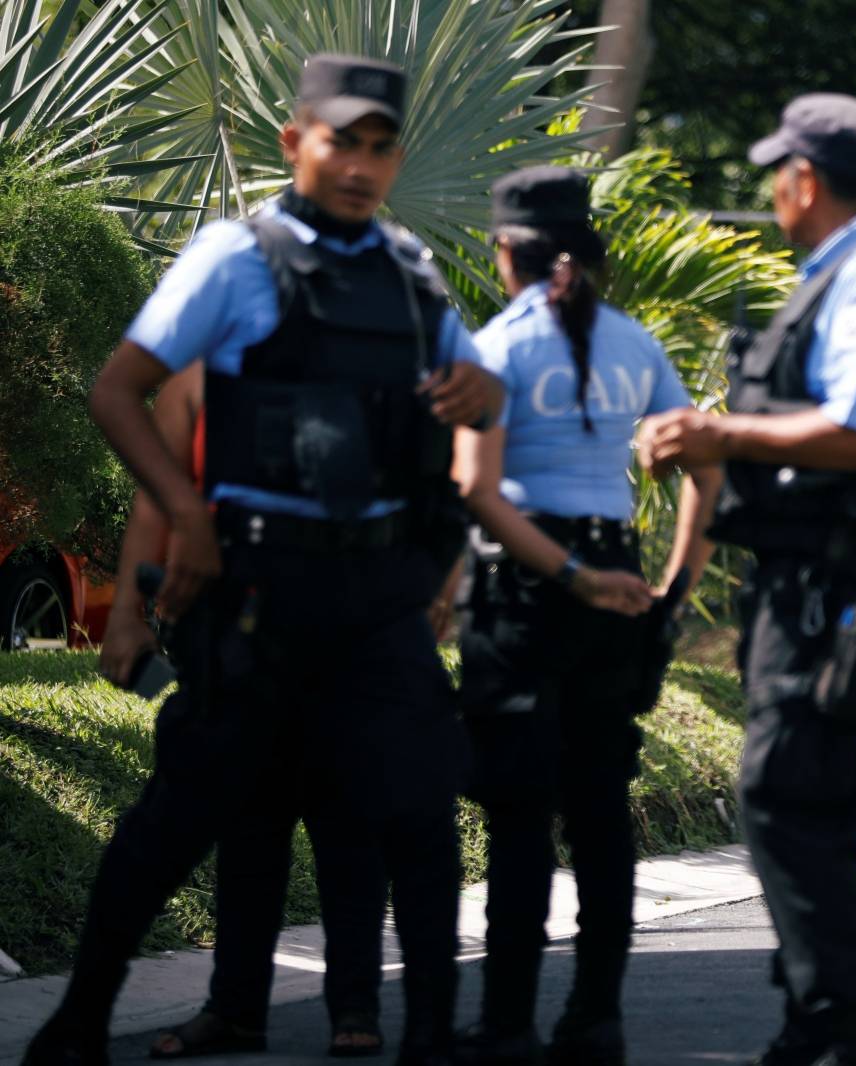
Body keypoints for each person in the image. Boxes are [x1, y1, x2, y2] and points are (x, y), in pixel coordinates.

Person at [24, 54, 502, 1066]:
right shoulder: (233, 258)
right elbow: (123, 390)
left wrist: (476, 401)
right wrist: (184, 514)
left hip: (376, 594)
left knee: (417, 803)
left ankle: (426, 1034)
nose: (361, 164)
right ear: (296, 142)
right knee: (183, 813)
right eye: (342, 141)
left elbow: (476, 395)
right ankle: (79, 1021)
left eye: (380, 146)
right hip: (256, 587)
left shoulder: (411, 276)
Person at [638, 93, 856, 1065]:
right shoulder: (845, 274)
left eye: (777, 173)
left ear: (806, 181)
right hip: (808, 579)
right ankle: (822, 1027)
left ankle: (842, 1023)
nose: (772, 189)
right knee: (800, 794)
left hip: (841, 582)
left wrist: (716, 431)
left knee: (784, 787)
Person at [448, 166, 722, 1065]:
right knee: (600, 809)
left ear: (505, 253)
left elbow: (477, 492)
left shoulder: (494, 346)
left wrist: (564, 574)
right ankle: (597, 1017)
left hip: (528, 584)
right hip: (616, 570)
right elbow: (706, 476)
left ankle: (507, 1022)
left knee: (518, 813)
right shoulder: (635, 343)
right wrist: (668, 594)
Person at [96, 364, 392, 1059]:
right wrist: (128, 615)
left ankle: (356, 1006)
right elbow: (153, 503)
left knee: (349, 832)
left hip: (338, 637)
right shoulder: (197, 384)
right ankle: (235, 1010)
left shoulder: (362, 372)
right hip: (233, 643)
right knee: (249, 831)